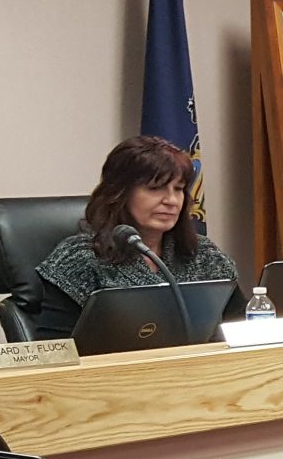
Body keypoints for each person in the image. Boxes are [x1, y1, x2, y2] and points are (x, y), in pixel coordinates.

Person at [32, 134, 237, 340]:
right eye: (155, 188)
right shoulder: (79, 259)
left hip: (202, 370)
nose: (172, 200)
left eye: (178, 189)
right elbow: (54, 352)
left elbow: (246, 327)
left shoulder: (203, 254)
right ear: (120, 193)